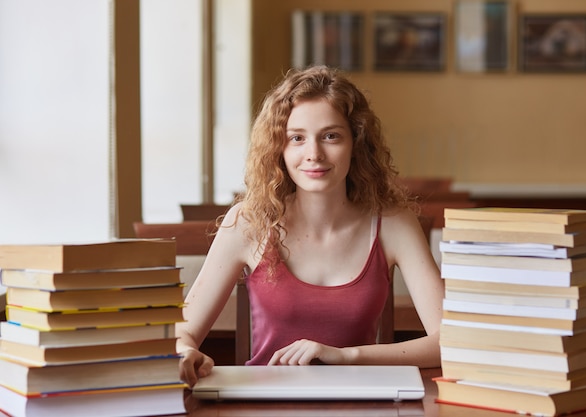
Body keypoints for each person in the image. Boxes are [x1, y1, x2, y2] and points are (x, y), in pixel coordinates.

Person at [177, 65, 444, 387]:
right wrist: (184, 351)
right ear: (279, 148)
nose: (314, 154)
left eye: (331, 136)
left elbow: (449, 342)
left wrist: (347, 356)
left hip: (362, 399)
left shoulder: (393, 223)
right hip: (260, 400)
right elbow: (185, 329)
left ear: (356, 144)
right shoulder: (247, 222)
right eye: (297, 138)